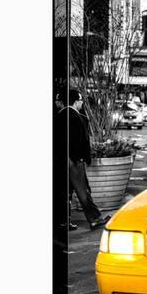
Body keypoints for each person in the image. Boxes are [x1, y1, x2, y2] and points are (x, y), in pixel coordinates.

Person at [55, 89, 111, 231]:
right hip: (73, 160)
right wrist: (82, 158)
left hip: (62, 159)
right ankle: (95, 219)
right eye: (80, 100)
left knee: (65, 191)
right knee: (83, 191)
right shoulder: (74, 116)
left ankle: (64, 223)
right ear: (75, 101)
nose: (82, 103)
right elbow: (79, 141)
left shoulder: (60, 116)